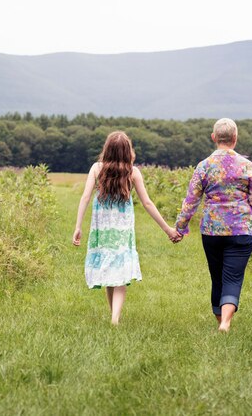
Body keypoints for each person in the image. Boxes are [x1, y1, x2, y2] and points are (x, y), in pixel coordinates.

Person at [73, 131, 180, 325]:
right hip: (122, 231)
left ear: (107, 149)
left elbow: (85, 197)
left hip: (102, 230)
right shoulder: (133, 171)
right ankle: (115, 317)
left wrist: (78, 226)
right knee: (119, 273)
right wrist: (168, 229)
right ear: (127, 151)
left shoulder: (97, 169)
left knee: (108, 270)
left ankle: (114, 316)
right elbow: (147, 203)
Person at [173, 118, 252, 333]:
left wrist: (180, 228)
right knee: (233, 277)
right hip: (242, 230)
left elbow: (191, 201)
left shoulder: (204, 166)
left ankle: (221, 322)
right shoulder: (247, 166)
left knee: (217, 277)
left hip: (212, 231)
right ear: (235, 138)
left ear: (214, 137)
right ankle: (225, 322)